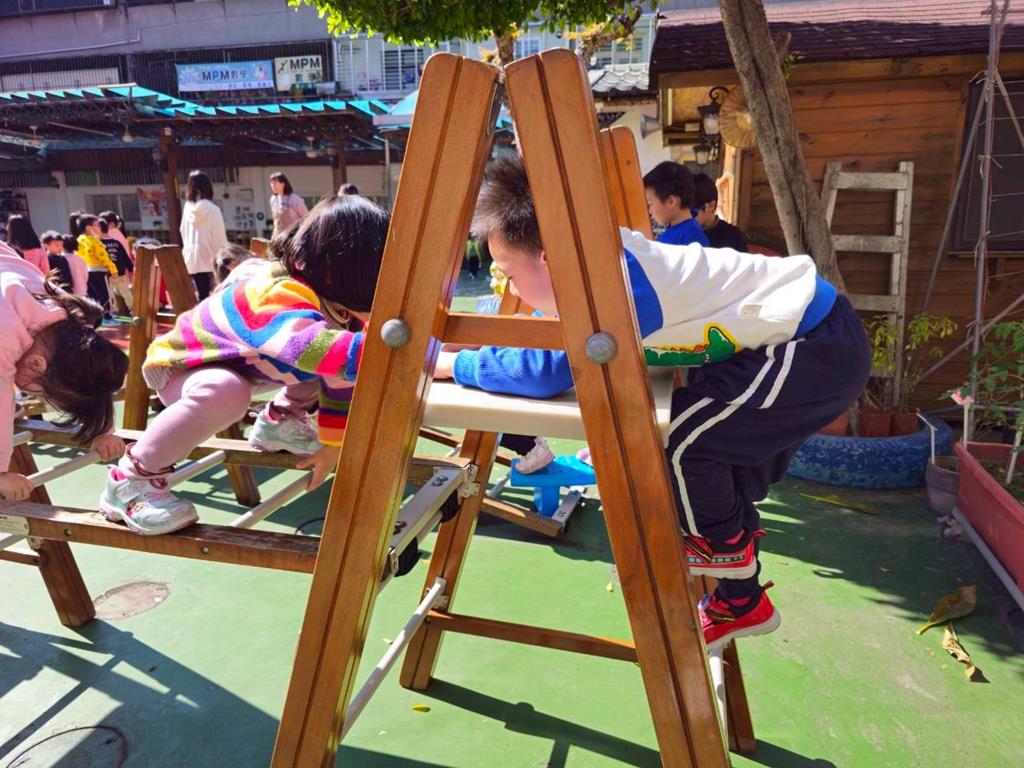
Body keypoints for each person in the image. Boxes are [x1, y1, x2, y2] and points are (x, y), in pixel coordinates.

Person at [433, 156, 871, 648]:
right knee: (718, 468)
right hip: (791, 343)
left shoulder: (614, 284)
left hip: (813, 346)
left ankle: (719, 551)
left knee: (683, 439)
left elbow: (546, 371)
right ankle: (742, 600)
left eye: (508, 274)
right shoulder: (598, 256)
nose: (509, 287)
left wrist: (455, 365)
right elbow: (560, 344)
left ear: (550, 258)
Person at [98, 195, 389, 536]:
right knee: (233, 390)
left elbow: (341, 376)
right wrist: (397, 350)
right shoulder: (279, 293)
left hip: (244, 363)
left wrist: (332, 445)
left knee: (333, 354)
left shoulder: (332, 303)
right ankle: (129, 480)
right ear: (339, 270)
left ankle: (281, 421)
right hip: (185, 364)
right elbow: (318, 351)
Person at [0, 243, 127, 501]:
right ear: (36, 365)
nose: (34, 394)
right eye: (41, 393)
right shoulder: (5, 338)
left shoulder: (69, 319)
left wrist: (105, 431)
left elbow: (96, 382)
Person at [180, 170, 229, 301]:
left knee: (202, 295)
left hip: (192, 259)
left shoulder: (187, 209)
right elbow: (219, 237)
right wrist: (225, 257)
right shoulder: (213, 210)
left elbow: (183, 231)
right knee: (216, 296)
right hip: (211, 258)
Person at [642, 161, 709, 247]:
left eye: (650, 204)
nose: (649, 211)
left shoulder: (692, 240)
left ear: (671, 201)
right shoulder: (680, 230)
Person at [693, 173, 749, 251]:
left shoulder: (733, 236)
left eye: (692, 212)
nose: (686, 217)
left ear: (711, 206)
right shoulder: (683, 232)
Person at [76, 214, 117, 319]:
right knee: (105, 294)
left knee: (93, 295)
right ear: (89, 228)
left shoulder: (80, 240)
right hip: (99, 271)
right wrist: (113, 269)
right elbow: (103, 257)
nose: (100, 227)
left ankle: (96, 316)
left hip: (86, 271)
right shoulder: (95, 241)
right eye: (97, 225)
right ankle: (107, 315)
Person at [99, 218, 133, 313]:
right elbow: (125, 256)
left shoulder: (99, 244)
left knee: (110, 293)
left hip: (108, 273)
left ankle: (113, 310)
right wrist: (130, 267)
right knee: (125, 291)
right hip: (120, 271)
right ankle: (133, 308)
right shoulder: (117, 242)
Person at [269, 172, 310, 238]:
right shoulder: (273, 199)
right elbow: (276, 221)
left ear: (283, 184)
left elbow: (306, 217)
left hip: (294, 236)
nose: (272, 185)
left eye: (275, 183)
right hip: (278, 236)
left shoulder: (294, 199)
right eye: (271, 183)